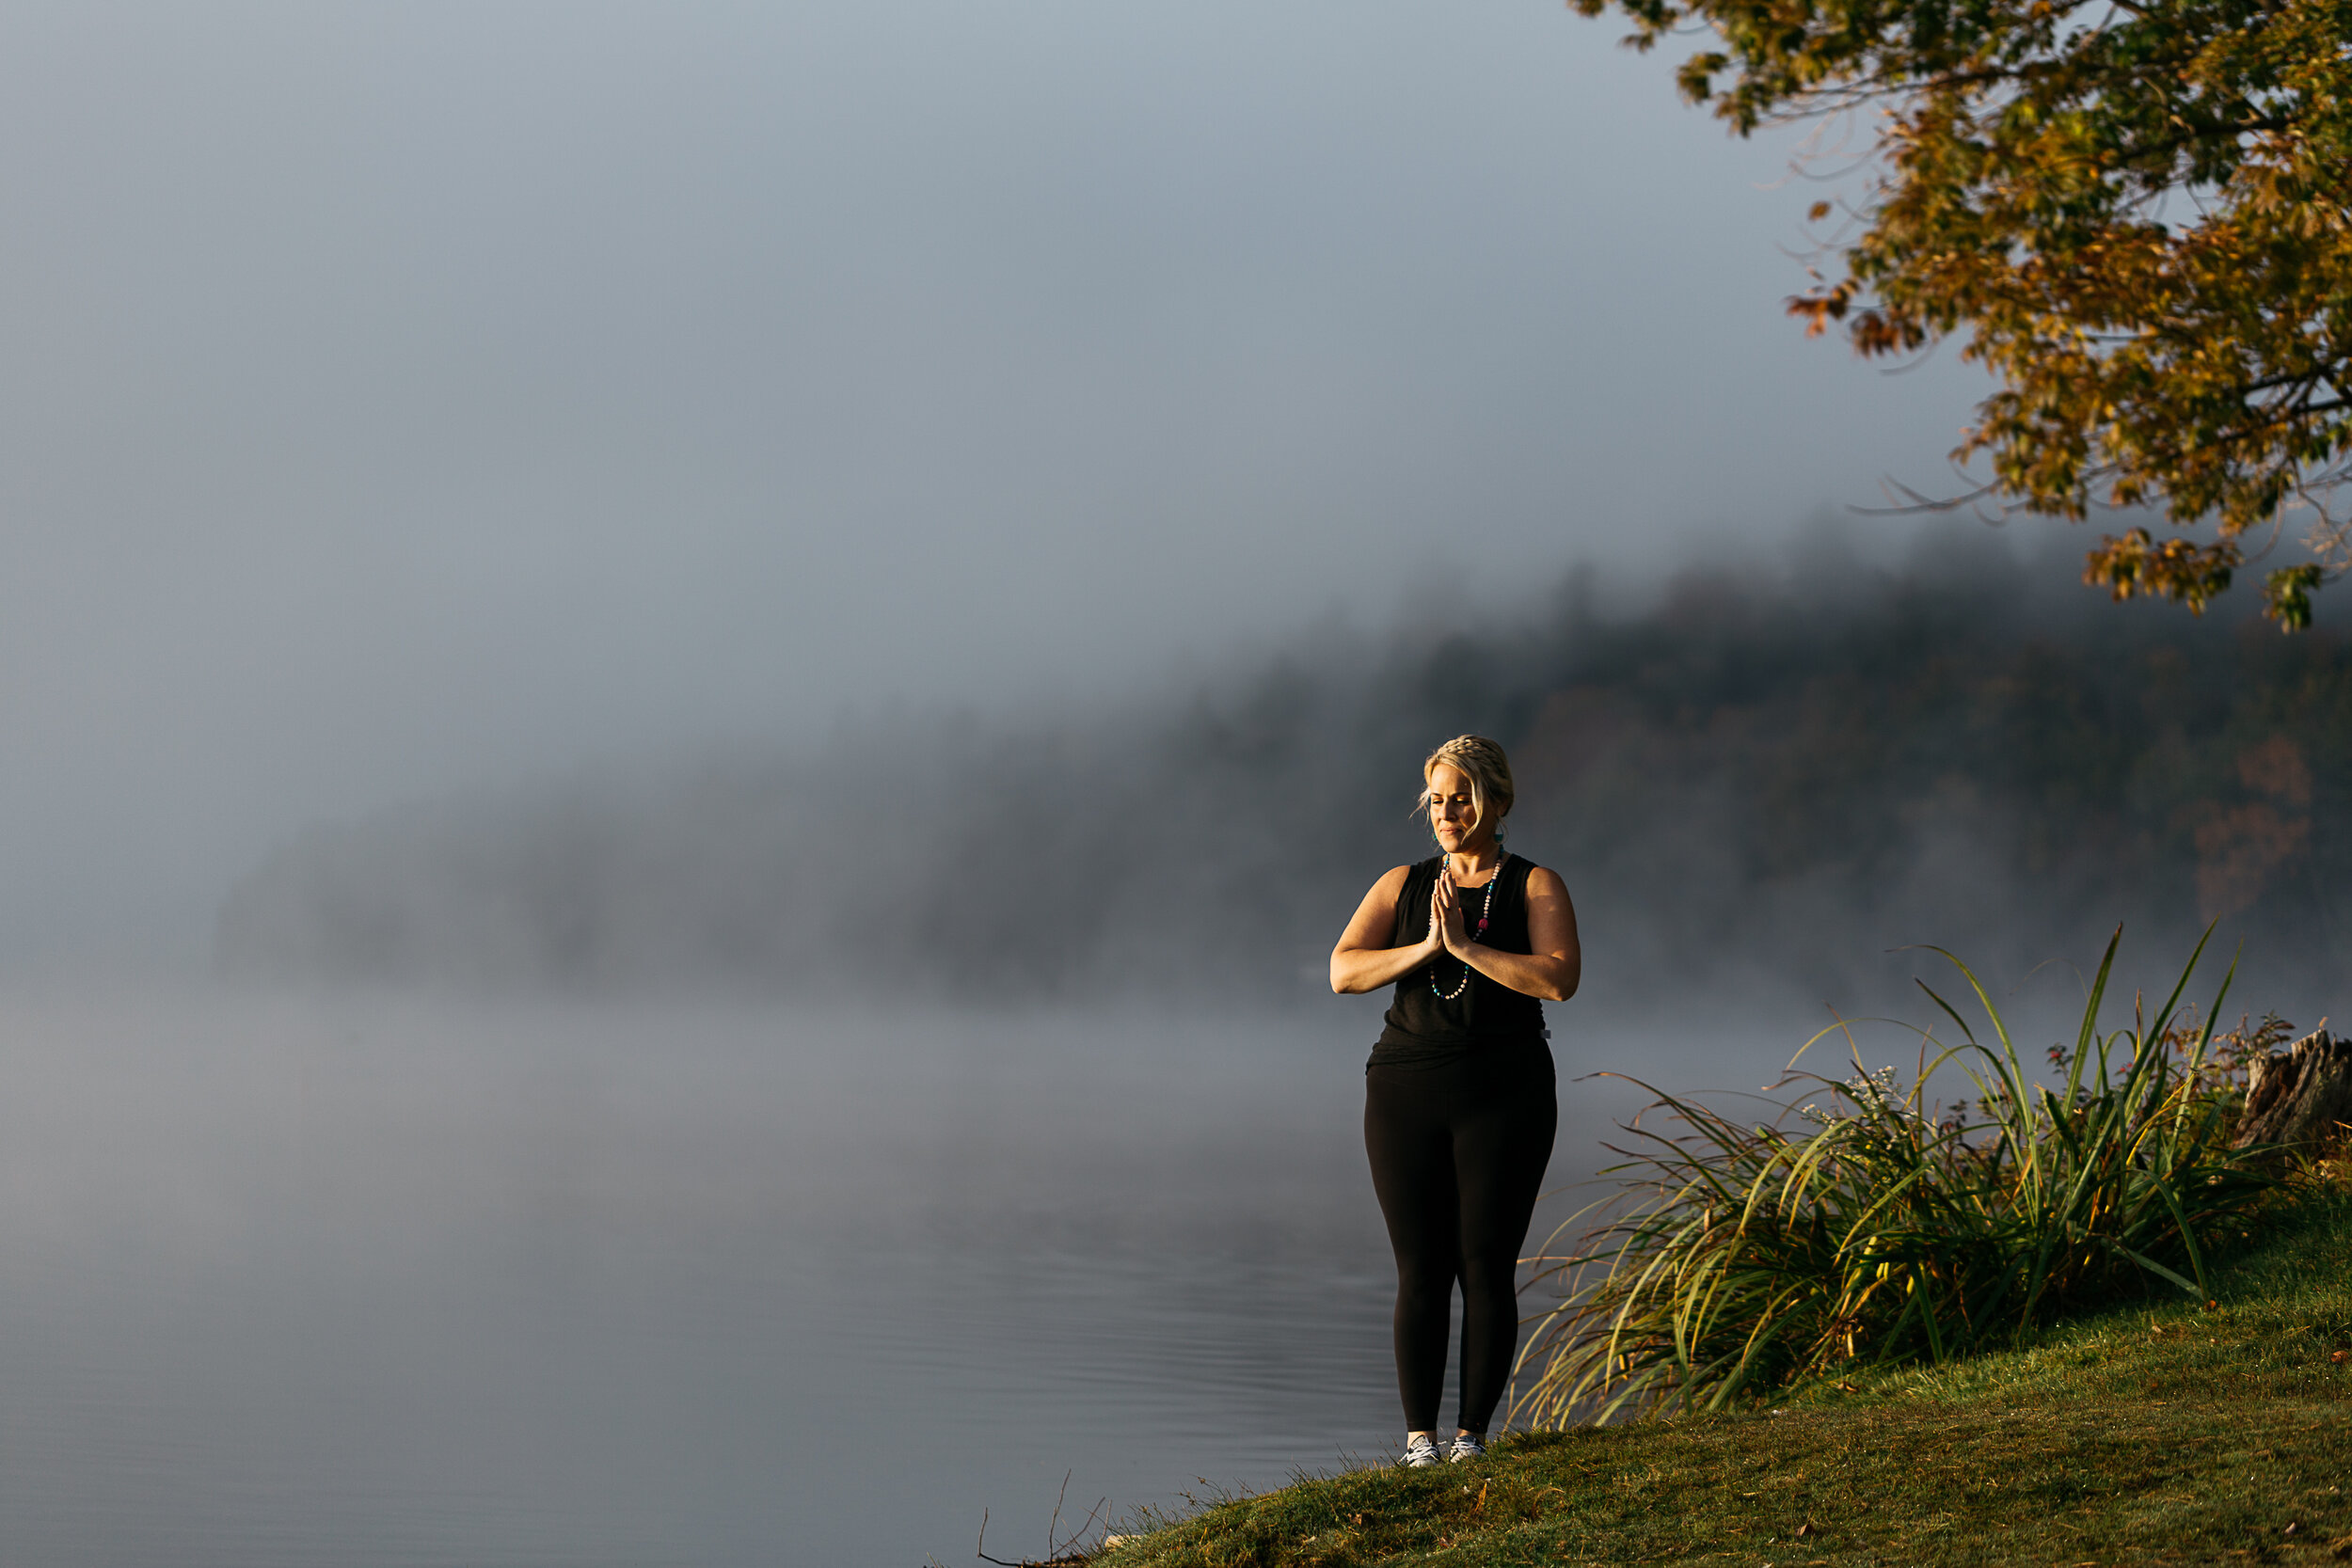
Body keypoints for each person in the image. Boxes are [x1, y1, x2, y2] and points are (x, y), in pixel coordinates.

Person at [1328, 735, 1580, 1467]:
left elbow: (1560, 979)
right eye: (1437, 799)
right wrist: (1428, 947)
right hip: (1404, 1088)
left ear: (1497, 801)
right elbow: (1343, 970)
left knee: (1486, 1263)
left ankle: (1470, 1437)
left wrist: (1470, 948)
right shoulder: (1401, 884)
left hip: (1506, 1094)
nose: (1448, 811)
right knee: (1421, 1267)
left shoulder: (1536, 885)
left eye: (1463, 797)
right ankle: (1419, 1443)